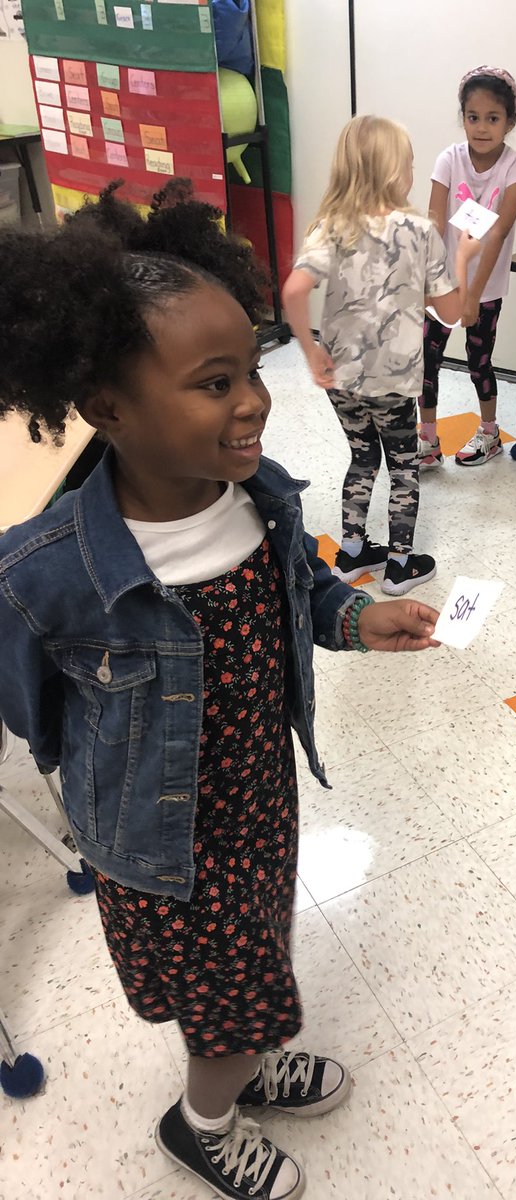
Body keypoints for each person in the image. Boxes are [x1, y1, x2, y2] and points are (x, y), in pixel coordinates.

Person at [0, 181, 442, 1200]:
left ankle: (248, 1050)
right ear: (108, 409)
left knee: (252, 967)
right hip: (163, 848)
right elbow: (32, 709)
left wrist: (356, 618)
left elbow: (304, 591)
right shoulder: (49, 567)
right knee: (225, 992)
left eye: (253, 365)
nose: (253, 400)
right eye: (214, 382)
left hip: (258, 801)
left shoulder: (262, 495)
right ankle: (204, 1119)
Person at [284, 115, 480, 596]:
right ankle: (399, 566)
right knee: (404, 466)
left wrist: (310, 352)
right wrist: (463, 258)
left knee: (361, 457)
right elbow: (453, 312)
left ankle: (351, 555)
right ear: (393, 170)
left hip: (341, 377)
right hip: (392, 381)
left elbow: (293, 290)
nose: (413, 172)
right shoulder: (420, 230)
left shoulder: (332, 225)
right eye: (409, 163)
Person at [417, 65, 516, 469]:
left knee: (478, 361)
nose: (482, 128)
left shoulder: (514, 171)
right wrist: (430, 283)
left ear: (509, 122)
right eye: (473, 117)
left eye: (493, 118)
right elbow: (432, 222)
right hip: (442, 282)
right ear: (463, 117)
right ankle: (427, 442)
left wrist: (471, 298)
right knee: (426, 360)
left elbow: (497, 236)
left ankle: (489, 434)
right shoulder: (449, 159)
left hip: (486, 287)